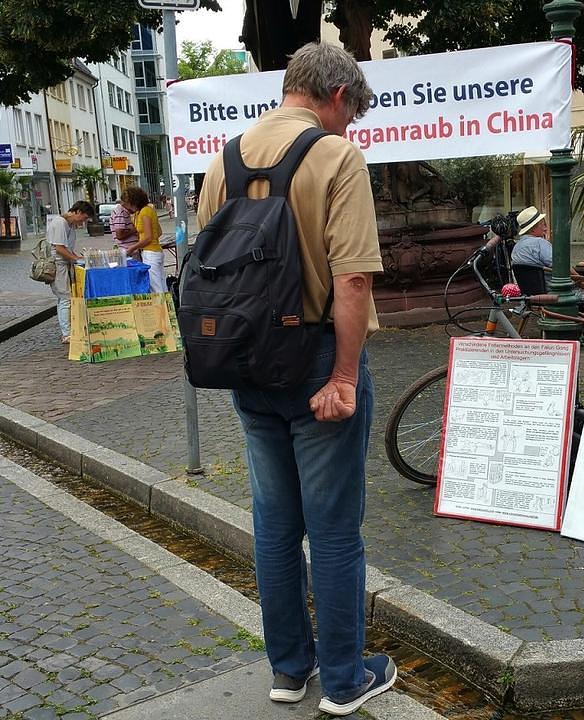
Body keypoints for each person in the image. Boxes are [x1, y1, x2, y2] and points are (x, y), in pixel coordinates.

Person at [197, 42, 395, 716]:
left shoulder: (222, 160)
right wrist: (343, 375)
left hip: (247, 364)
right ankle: (343, 679)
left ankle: (288, 670)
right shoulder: (335, 155)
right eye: (351, 113)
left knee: (275, 527)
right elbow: (354, 279)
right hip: (316, 361)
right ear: (336, 96)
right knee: (334, 530)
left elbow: (206, 273)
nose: (349, 126)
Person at [512, 206, 584, 307]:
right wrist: (582, 283)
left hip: (530, 297)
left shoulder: (516, 248)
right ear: (533, 229)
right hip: (555, 294)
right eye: (543, 225)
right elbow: (562, 266)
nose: (546, 228)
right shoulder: (540, 243)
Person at [48, 200, 94, 343]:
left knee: (66, 297)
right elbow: (59, 248)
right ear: (78, 212)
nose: (83, 222)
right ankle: (66, 333)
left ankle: (69, 329)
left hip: (65, 264)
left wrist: (77, 258)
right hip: (59, 265)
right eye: (84, 218)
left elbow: (67, 248)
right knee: (65, 297)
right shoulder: (60, 223)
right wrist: (75, 259)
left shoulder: (70, 225)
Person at [120, 185, 166, 293]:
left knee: (155, 286)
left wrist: (133, 247)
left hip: (150, 253)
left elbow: (148, 237)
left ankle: (160, 304)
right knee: (161, 283)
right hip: (154, 251)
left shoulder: (145, 212)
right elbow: (158, 232)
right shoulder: (145, 211)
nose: (125, 206)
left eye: (126, 203)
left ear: (133, 201)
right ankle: (166, 303)